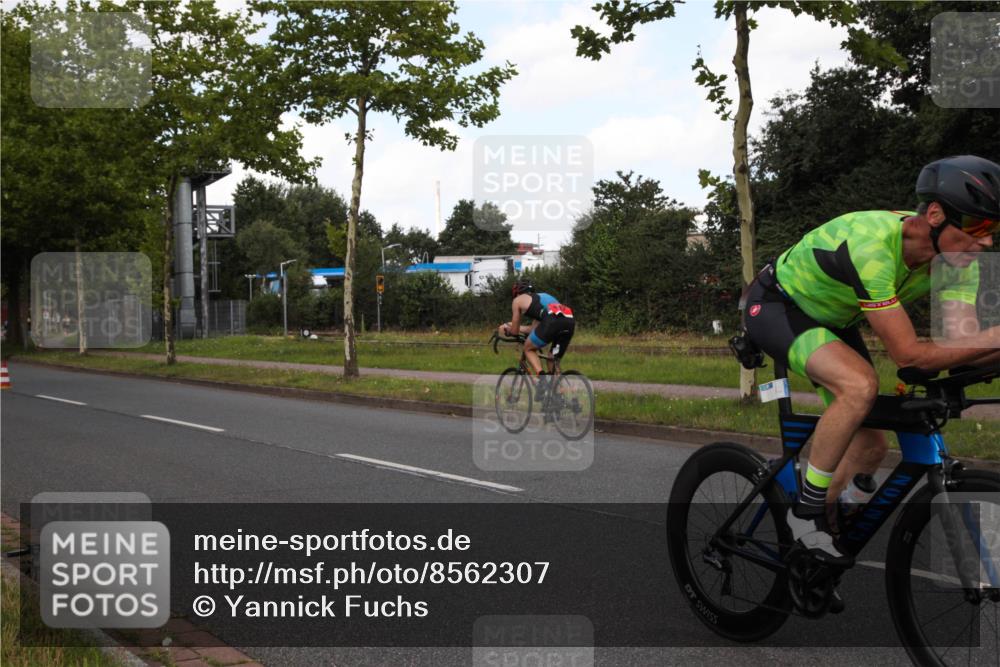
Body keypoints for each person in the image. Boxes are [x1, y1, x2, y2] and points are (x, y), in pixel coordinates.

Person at [743, 155, 1000, 568]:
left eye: (995, 230)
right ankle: (802, 514)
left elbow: (960, 344)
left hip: (834, 319)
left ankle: (816, 536)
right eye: (978, 227)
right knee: (859, 386)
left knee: (869, 446)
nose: (987, 242)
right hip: (776, 305)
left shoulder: (957, 262)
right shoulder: (872, 246)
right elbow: (910, 354)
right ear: (935, 214)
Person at [498, 278, 575, 398]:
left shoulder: (517, 300)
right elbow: (533, 329)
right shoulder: (543, 298)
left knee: (528, 348)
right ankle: (559, 396)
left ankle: (542, 380)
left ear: (516, 293)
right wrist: (519, 329)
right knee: (552, 359)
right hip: (569, 321)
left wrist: (507, 330)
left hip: (551, 321)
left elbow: (514, 331)